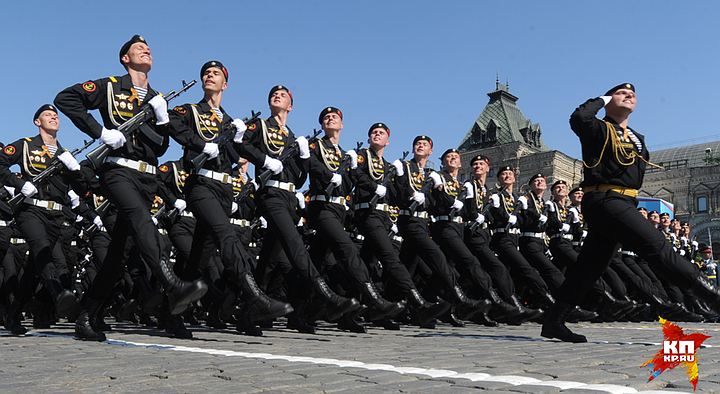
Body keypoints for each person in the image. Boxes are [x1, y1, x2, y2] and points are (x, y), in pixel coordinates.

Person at [54, 35, 207, 341]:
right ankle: (172, 284)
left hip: (147, 177)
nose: (146, 50)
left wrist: (163, 119)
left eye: (148, 48)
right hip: (118, 172)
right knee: (141, 219)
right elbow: (65, 99)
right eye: (139, 48)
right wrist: (100, 132)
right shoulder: (111, 86)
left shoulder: (156, 97)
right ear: (125, 58)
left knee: (118, 253)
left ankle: (87, 316)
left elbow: (161, 148)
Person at [541, 83, 720, 343]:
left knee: (589, 268)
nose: (629, 96)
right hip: (605, 199)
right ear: (609, 99)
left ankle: (554, 321)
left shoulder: (637, 137)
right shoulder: (597, 129)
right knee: (659, 248)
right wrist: (603, 99)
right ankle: (714, 299)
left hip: (624, 202)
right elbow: (578, 117)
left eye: (633, 95)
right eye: (622, 93)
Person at [167, 61, 292, 337]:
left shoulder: (228, 121)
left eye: (216, 74)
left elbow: (238, 156)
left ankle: (171, 312)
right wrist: (200, 144)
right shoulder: (190, 110)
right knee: (227, 236)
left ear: (226, 84)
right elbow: (173, 125)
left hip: (224, 192)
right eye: (206, 74)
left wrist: (242, 144)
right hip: (200, 186)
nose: (210, 76)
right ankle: (255, 296)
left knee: (199, 259)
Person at [238, 85, 361, 333]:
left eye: (283, 95)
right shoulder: (260, 126)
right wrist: (263, 160)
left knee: (271, 258)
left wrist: (303, 157)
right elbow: (240, 146)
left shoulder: (292, 138)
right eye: (273, 94)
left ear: (290, 106)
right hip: (270, 193)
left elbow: (299, 178)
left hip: (288, 197)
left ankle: (249, 312)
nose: (277, 96)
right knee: (293, 242)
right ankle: (325, 293)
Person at [0, 105, 93, 335]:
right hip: (30, 211)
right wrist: (19, 183)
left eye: (56, 115)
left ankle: (13, 315)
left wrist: (75, 170)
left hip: (56, 216)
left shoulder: (64, 153)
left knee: (33, 272)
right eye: (47, 115)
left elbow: (83, 189)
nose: (53, 117)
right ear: (37, 122)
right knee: (41, 247)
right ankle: (58, 292)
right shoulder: (24, 145)